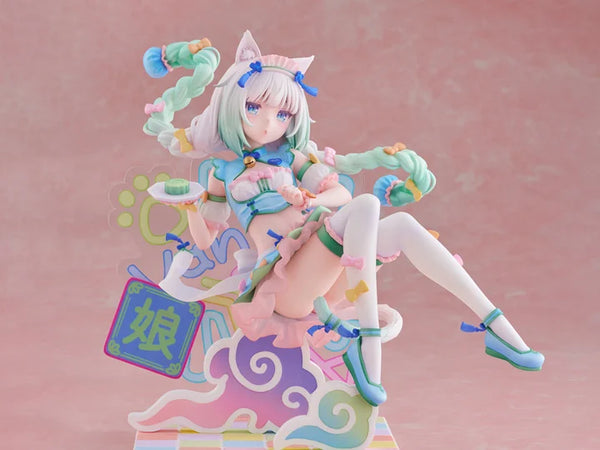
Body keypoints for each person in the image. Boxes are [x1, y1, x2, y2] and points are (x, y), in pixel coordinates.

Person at [142, 31, 544, 407]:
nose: (268, 123)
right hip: (284, 284)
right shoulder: (222, 172)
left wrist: (309, 197)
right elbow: (206, 240)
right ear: (233, 105)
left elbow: (339, 195)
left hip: (322, 266)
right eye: (254, 107)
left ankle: (498, 328)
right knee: (367, 206)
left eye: (282, 114)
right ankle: (369, 346)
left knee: (402, 224)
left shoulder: (292, 159)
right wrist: (190, 207)